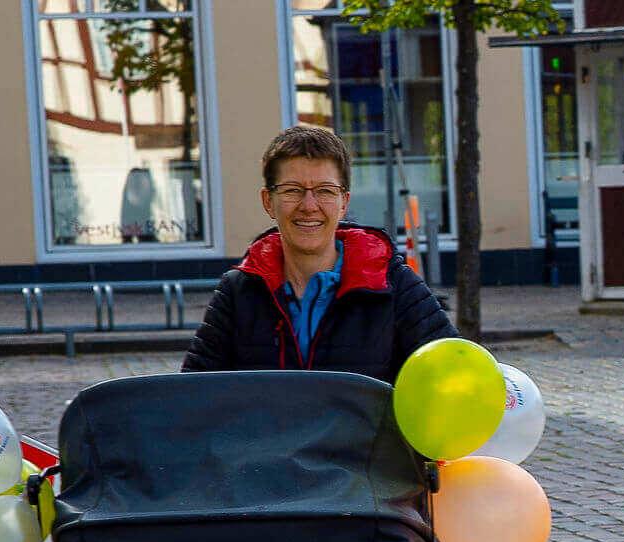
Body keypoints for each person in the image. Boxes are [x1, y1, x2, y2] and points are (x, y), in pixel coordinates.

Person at [183, 125, 456, 380]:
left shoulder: (392, 285)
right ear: (268, 201)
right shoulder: (238, 292)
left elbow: (453, 374)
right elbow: (192, 399)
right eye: (292, 191)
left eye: (325, 191)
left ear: (343, 203)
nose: (309, 205)